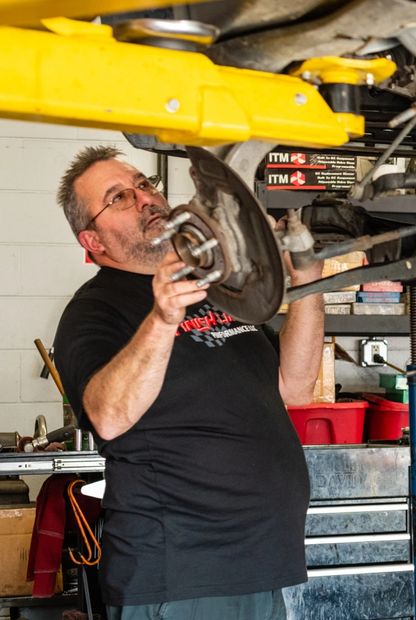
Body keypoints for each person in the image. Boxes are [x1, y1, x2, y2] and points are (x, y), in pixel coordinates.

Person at [51, 146, 325, 619]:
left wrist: (307, 288)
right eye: (118, 197)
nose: (144, 198)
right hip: (178, 576)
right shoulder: (92, 312)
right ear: (92, 241)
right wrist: (162, 318)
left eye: (144, 184)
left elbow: (293, 386)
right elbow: (109, 417)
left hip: (259, 564)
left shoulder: (215, 288)